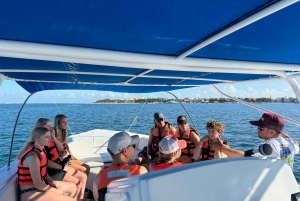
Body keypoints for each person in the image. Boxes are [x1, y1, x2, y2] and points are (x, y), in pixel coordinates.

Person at [210, 112, 299, 170]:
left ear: (272, 131)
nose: (257, 129)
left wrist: (220, 147)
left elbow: (244, 155)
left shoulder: (266, 146)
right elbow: (297, 146)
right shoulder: (290, 142)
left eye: (261, 128)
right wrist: (286, 136)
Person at [35, 118, 88, 201]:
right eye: (48, 126)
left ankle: (80, 198)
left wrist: (53, 137)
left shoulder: (48, 139)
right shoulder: (40, 144)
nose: (51, 128)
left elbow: (60, 149)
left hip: (57, 167)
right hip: (53, 171)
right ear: (41, 127)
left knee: (82, 177)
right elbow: (46, 162)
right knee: (78, 183)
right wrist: (61, 167)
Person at [17, 127, 76, 201]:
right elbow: (38, 184)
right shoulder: (33, 157)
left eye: (50, 137)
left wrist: (52, 183)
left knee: (72, 187)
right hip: (30, 192)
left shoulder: (41, 151)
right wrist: (56, 191)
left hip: (40, 187)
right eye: (47, 137)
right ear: (37, 139)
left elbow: (43, 172)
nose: (50, 139)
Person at [97, 132, 148, 201]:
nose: (134, 148)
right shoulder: (141, 171)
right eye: (133, 146)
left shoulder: (100, 176)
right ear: (125, 151)